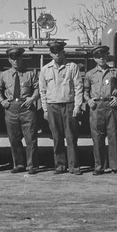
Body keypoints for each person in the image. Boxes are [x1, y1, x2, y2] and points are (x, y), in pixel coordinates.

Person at [39, 39, 84, 175]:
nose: (57, 55)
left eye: (59, 52)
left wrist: (77, 106)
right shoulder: (45, 69)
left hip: (68, 106)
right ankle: (60, 165)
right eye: (54, 52)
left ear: (63, 52)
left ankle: (74, 166)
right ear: (51, 54)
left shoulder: (72, 67)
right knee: (57, 137)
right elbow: (43, 91)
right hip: (53, 106)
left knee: (71, 137)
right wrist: (45, 109)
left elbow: (78, 88)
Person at [0, 46, 40, 175]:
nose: (16, 61)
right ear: (9, 60)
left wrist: (33, 98)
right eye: (13, 59)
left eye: (18, 58)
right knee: (14, 139)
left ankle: (32, 166)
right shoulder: (4, 75)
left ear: (21, 58)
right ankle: (19, 164)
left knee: (30, 138)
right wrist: (2, 101)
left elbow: (38, 88)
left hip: (27, 108)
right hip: (11, 108)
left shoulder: (30, 74)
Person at [83, 45, 117, 175]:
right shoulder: (90, 74)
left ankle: (115, 166)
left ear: (107, 56)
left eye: (103, 56)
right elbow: (85, 91)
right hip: (96, 107)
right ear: (95, 59)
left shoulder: (114, 72)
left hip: (111, 106)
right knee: (97, 137)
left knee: (113, 136)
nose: (101, 59)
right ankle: (99, 166)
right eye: (98, 57)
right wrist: (88, 100)